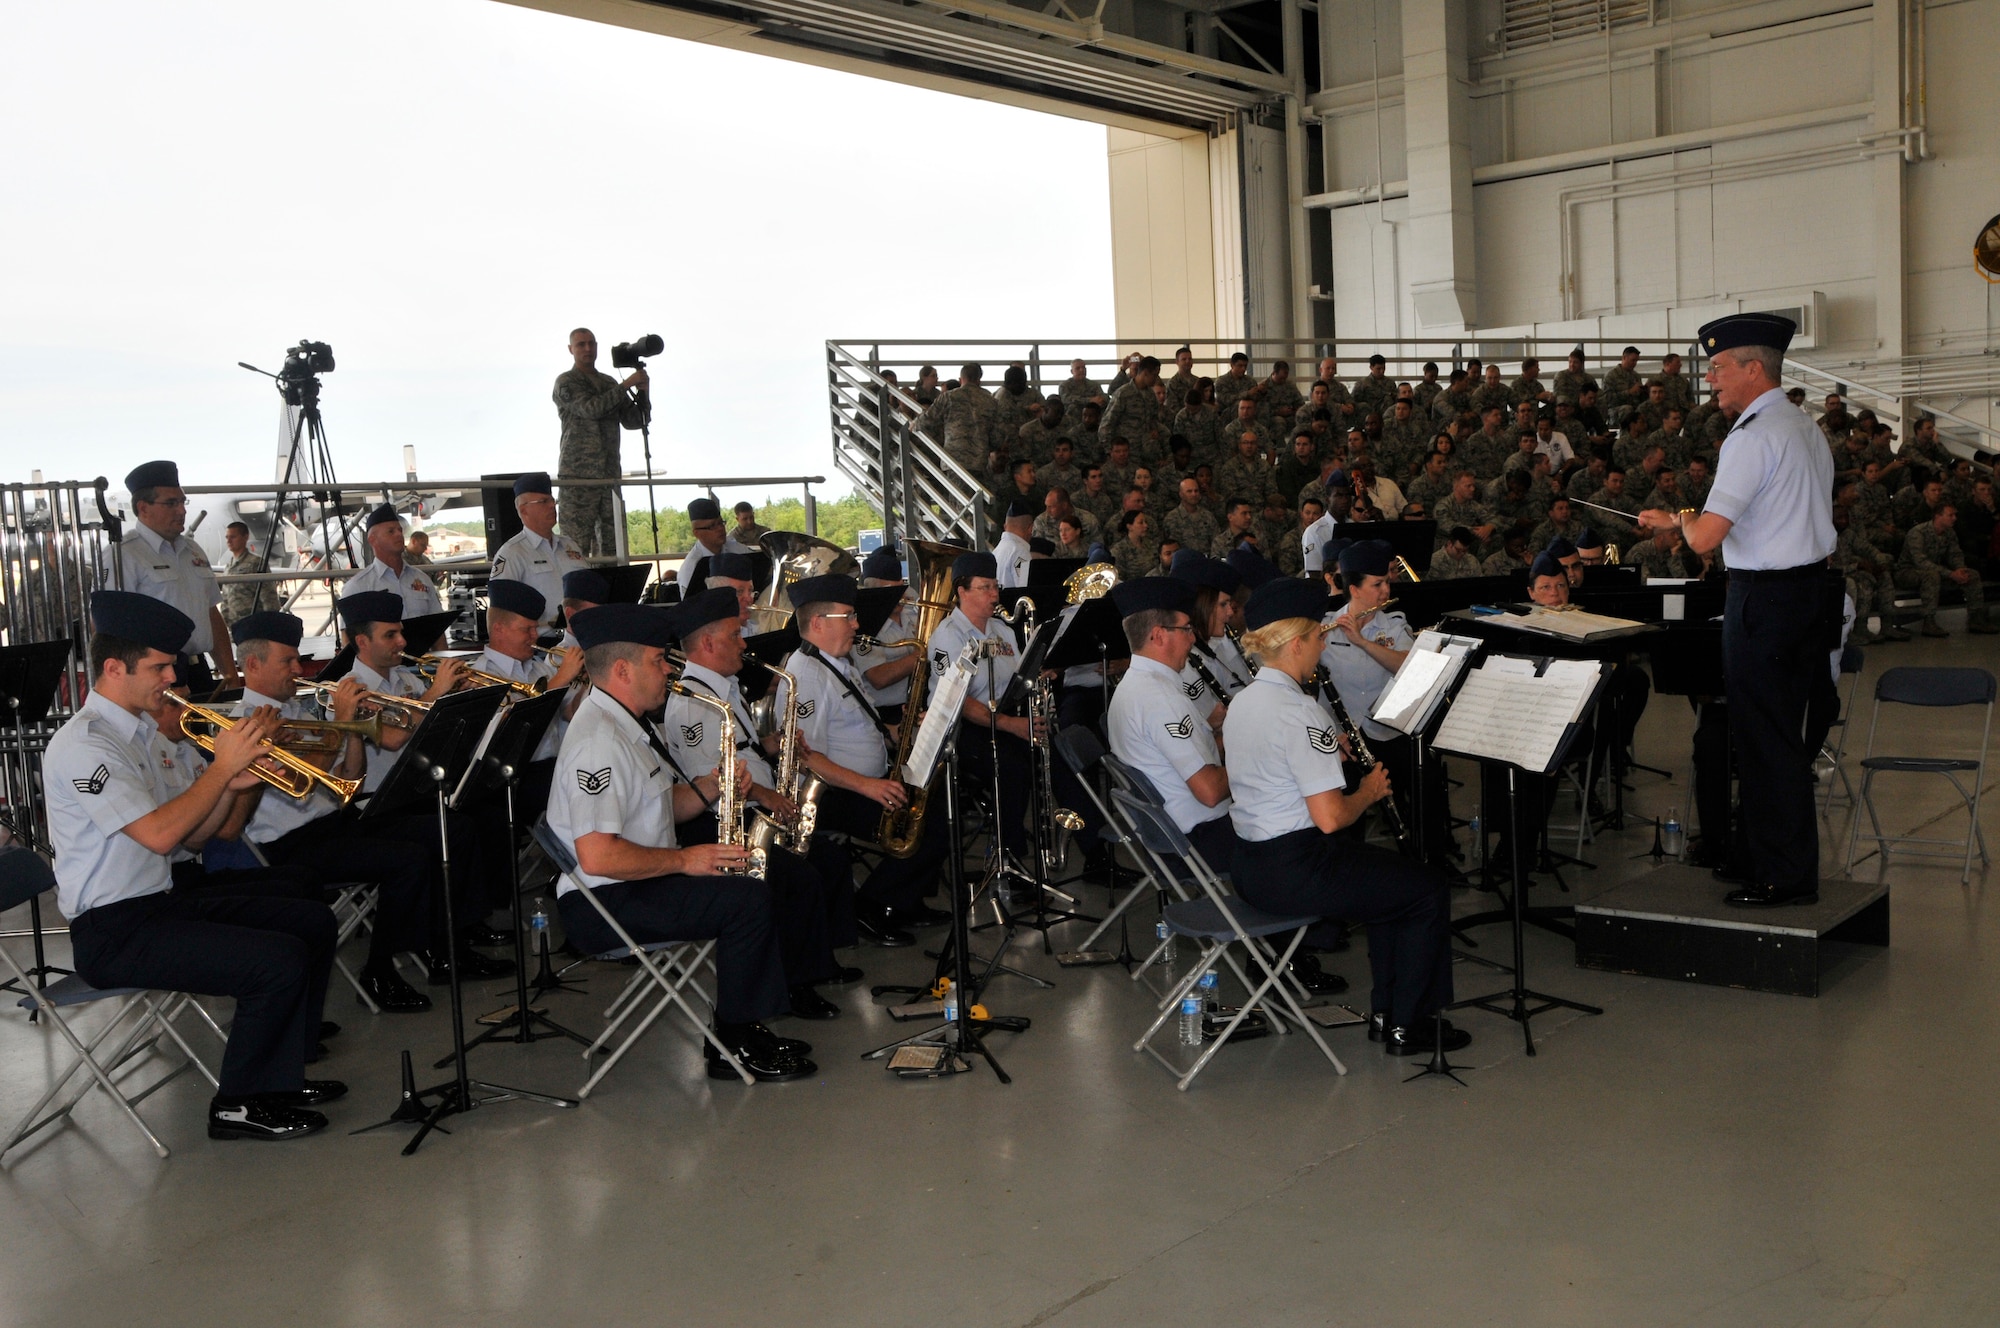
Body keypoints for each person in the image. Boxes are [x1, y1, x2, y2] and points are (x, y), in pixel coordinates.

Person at [43, 591, 340, 1140]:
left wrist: (232, 783)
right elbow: (159, 835)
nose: (171, 678)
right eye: (159, 667)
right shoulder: (85, 745)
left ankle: (280, 1077)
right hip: (112, 931)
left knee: (311, 920)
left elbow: (196, 838)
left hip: (159, 904)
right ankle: (238, 1105)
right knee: (275, 961)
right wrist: (219, 769)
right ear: (114, 668)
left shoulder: (137, 735)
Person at [548, 602, 813, 1082]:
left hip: (631, 883)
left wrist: (712, 785)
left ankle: (745, 1026)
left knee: (751, 883)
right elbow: (599, 854)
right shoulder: (598, 742)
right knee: (746, 902)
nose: (669, 670)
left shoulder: (625, 724)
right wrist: (686, 859)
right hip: (604, 901)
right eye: (658, 660)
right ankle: (733, 1044)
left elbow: (657, 811)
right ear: (624, 670)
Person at [1636, 313, 1837, 908]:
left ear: (1754, 368)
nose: (1711, 380)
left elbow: (1705, 540)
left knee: (1765, 739)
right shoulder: (1803, 428)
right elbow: (1767, 513)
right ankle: (1755, 854)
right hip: (1807, 594)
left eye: (1719, 368)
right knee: (1777, 734)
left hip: (1765, 599)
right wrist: (1683, 519)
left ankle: (1785, 875)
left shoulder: (1750, 438)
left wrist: (1681, 522)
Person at [1222, 576, 1467, 1055]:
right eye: (1318, 636)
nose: (1322, 644)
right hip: (1296, 868)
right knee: (1427, 889)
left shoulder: (1244, 701)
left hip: (1250, 864)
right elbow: (1332, 818)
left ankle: (1389, 1013)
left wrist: (1322, 757)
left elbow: (1274, 767)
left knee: (1390, 887)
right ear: (1295, 644)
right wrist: (1370, 791)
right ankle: (1407, 1024)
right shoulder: (1301, 711)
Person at [226, 611, 433, 1013]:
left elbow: (347, 777)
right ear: (253, 665)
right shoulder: (236, 724)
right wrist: (340, 722)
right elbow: (303, 778)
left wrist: (352, 727)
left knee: (434, 832)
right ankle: (379, 973)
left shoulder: (300, 710)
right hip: (288, 845)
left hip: (334, 821)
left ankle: (435, 945)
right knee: (409, 860)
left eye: (296, 659)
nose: (298, 669)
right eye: (287, 661)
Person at [659, 588, 848, 1019]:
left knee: (828, 860)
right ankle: (796, 985)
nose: (745, 642)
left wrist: (775, 744)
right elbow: (709, 778)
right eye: (735, 634)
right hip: (723, 823)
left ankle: (815, 963)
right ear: (708, 643)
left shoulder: (723, 684)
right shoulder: (690, 701)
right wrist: (766, 795)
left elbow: (741, 747)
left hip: (756, 810)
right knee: (797, 879)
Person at [329, 591, 515, 980]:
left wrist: (461, 702)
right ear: (361, 642)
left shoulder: (403, 677)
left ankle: (460, 929)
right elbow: (396, 738)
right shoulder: (349, 689)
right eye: (390, 635)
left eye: (401, 633)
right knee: (452, 831)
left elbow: (432, 727)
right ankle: (443, 948)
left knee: (479, 815)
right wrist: (435, 697)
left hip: (414, 794)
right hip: (374, 805)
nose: (402, 642)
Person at [780, 574, 949, 948]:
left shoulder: (838, 663)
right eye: (849, 616)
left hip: (861, 784)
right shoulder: (805, 676)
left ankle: (905, 901)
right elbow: (806, 759)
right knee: (926, 829)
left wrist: (897, 730)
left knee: (938, 811)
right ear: (819, 623)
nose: (857, 624)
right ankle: (872, 906)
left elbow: (857, 723)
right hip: (830, 796)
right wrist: (869, 786)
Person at [116, 460, 239, 692]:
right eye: (171, 503)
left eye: (183, 502)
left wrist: (229, 673)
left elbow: (210, 613)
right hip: (155, 678)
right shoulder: (125, 555)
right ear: (143, 508)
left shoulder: (192, 551)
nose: (182, 510)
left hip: (197, 669)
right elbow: (110, 629)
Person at [553, 328, 648, 558]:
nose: (587, 349)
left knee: (613, 550)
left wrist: (644, 392)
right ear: (570, 349)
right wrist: (625, 386)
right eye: (581, 345)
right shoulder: (566, 381)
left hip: (609, 477)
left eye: (591, 344)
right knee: (575, 551)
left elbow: (635, 421)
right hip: (578, 478)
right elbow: (590, 408)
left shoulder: (608, 382)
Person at [489, 473, 586, 627]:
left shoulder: (570, 546)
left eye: (552, 501)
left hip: (580, 635)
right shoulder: (512, 553)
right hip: (542, 642)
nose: (551, 506)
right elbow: (501, 611)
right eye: (543, 502)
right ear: (524, 510)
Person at [1898, 502, 1996, 636]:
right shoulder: (1918, 532)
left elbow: (1955, 554)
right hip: (1909, 572)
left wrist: (1960, 569)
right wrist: (1950, 574)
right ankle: (1929, 621)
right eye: (1950, 515)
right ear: (1938, 516)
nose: (1954, 518)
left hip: (1937, 570)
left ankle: (1976, 618)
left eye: (1955, 515)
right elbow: (1920, 562)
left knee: (1971, 575)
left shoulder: (1949, 533)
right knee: (1931, 576)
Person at [344, 504, 443, 618]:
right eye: (391, 531)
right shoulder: (358, 586)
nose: (399, 535)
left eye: (400, 530)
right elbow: (348, 634)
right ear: (373, 540)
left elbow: (438, 625)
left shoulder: (422, 579)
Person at [675, 496, 753, 597]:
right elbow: (691, 608)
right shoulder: (691, 568)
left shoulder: (738, 550)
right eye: (712, 526)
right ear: (697, 533)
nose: (720, 528)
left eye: (721, 523)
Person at [219, 521, 271, 623]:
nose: (229, 541)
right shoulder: (229, 566)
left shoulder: (256, 563)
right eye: (227, 537)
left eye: (233, 537)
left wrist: (270, 622)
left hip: (253, 624)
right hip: (234, 625)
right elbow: (226, 597)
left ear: (245, 537)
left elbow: (268, 595)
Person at [992, 499, 1035, 589]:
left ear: (1005, 526)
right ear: (1030, 529)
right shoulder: (1020, 552)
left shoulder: (996, 550)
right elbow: (1025, 589)